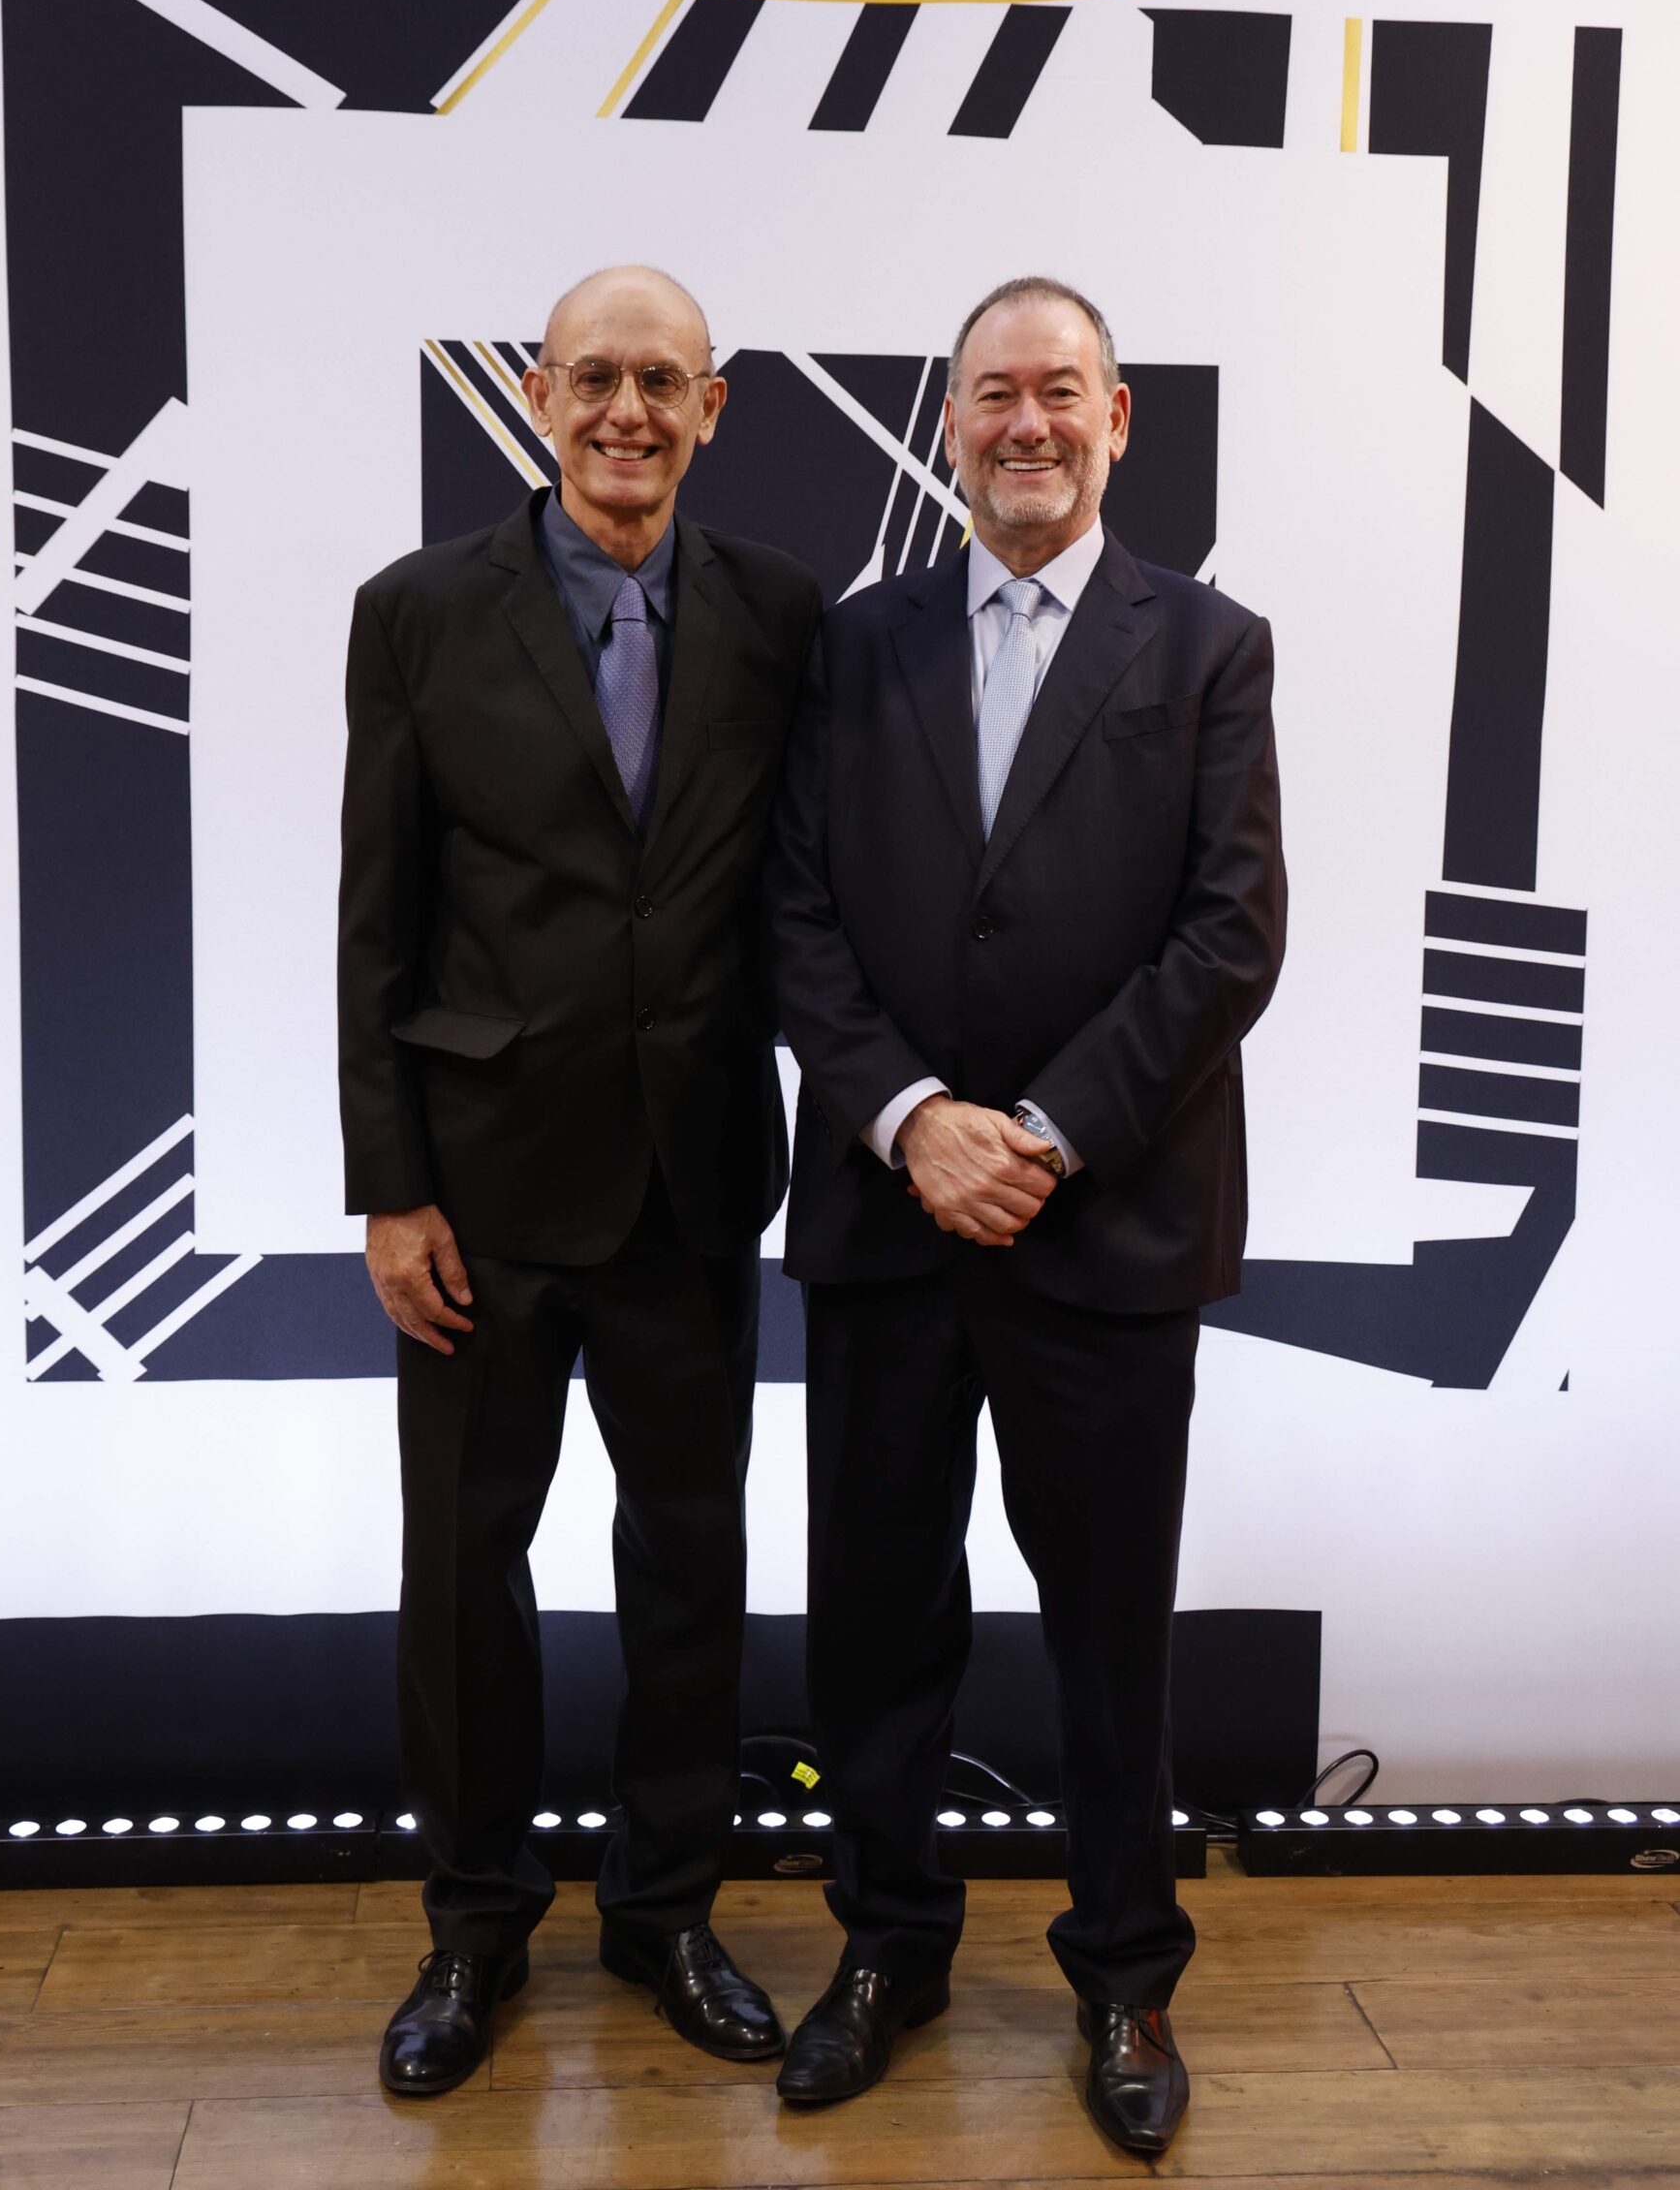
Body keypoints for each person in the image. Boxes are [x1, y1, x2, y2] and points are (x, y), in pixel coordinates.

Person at [766, 275, 1285, 2158]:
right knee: (874, 1621)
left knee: (1108, 1632)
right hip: (889, 1221)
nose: (1026, 424)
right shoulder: (853, 644)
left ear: (1117, 417)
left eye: (1059, 390)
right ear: (950, 421)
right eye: (994, 393)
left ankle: (1126, 1975)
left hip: (1105, 1231)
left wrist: (1042, 1139)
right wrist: (916, 1122)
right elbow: (792, 916)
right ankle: (887, 1949)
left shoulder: (1208, 646)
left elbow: (1229, 937)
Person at [338, 264, 821, 2097]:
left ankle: (664, 1911)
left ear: (713, 407)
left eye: (661, 382)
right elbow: (375, 915)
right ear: (538, 394)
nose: (627, 411)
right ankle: (474, 1927)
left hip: (694, 1180)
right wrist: (389, 1184)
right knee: (464, 1572)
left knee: (690, 1564)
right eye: (594, 377)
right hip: (477, 1192)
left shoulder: (784, 613)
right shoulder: (415, 611)